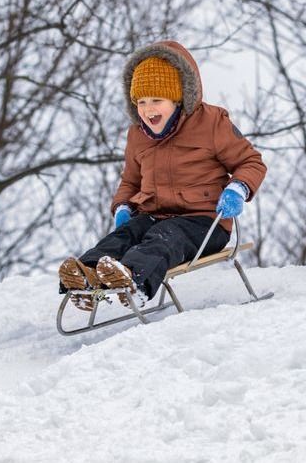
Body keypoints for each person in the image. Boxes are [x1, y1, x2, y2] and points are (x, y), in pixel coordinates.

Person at [59, 40, 267, 310]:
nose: (148, 109)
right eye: (141, 102)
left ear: (178, 97)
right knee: (125, 235)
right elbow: (131, 181)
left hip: (203, 222)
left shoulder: (211, 123)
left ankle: (134, 280)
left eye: (157, 100)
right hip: (154, 215)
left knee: (163, 238)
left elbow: (251, 161)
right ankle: (86, 276)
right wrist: (123, 206)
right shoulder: (137, 135)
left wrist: (237, 189)